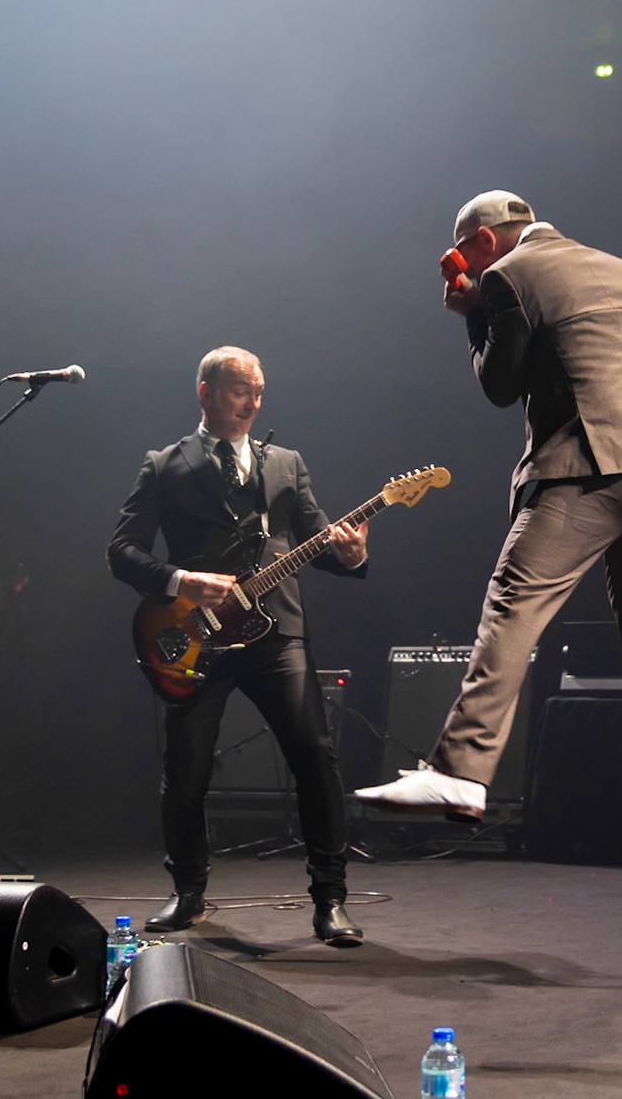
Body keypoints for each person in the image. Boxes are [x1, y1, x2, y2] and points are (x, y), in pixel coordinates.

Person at [354, 190, 622, 824]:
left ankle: (460, 771)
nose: (460, 266)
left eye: (463, 254)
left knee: (512, 606)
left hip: (586, 467)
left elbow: (499, 385)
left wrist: (471, 313)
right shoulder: (619, 266)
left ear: (484, 242)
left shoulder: (506, 276)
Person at [107, 346, 369, 947]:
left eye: (258, 392)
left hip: (277, 631)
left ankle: (331, 902)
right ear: (205, 393)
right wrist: (180, 581)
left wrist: (351, 553)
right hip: (196, 639)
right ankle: (189, 893)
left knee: (315, 757)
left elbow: (318, 538)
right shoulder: (165, 464)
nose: (252, 403)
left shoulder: (287, 462)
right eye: (238, 391)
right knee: (186, 769)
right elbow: (121, 551)